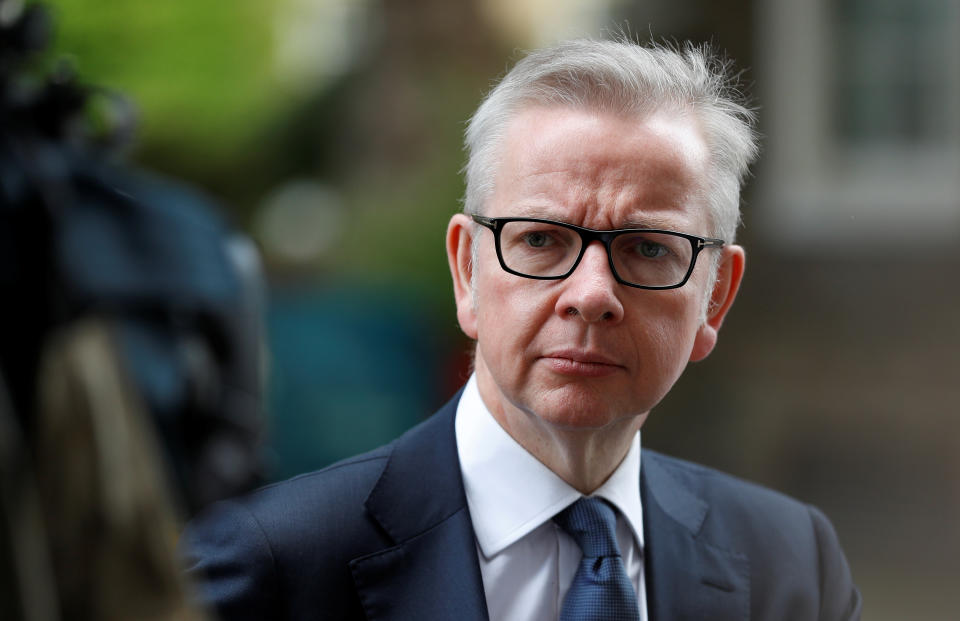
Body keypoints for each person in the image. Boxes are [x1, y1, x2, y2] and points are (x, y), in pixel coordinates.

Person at [181, 38, 862, 620]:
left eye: (648, 248)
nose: (593, 295)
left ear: (714, 296)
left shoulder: (792, 562)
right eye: (540, 239)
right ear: (467, 272)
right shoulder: (271, 566)